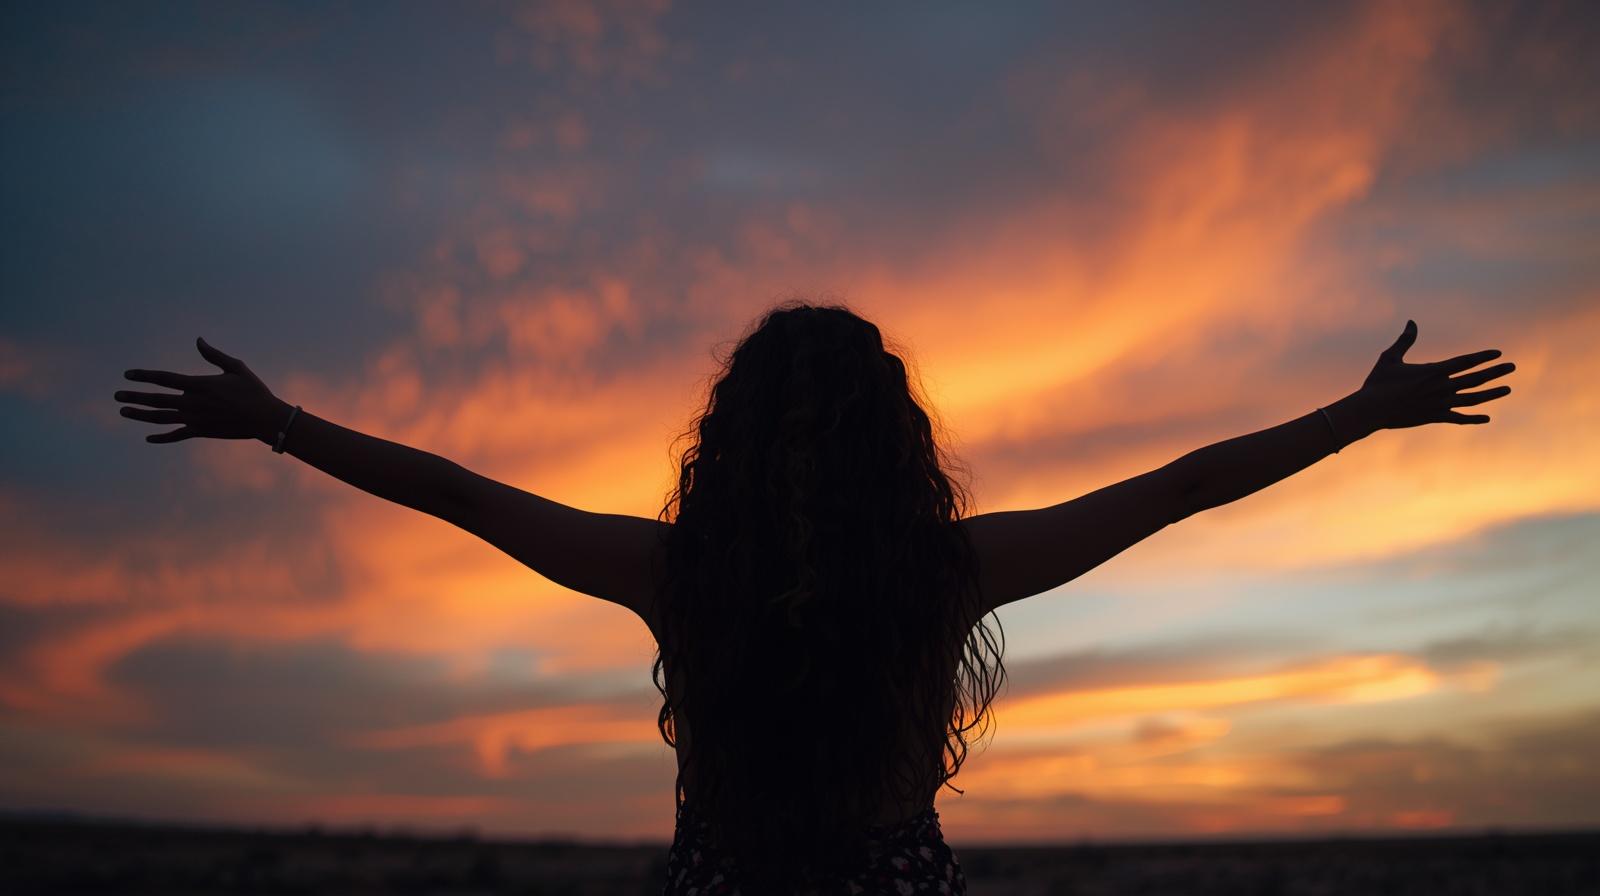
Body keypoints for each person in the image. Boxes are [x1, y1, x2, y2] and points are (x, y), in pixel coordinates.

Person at [115, 302, 1513, 894]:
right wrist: (1355, 415)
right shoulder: (942, 573)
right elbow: (1183, 486)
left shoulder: (681, 573)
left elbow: (463, 493)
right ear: (890, 450)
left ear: (729, 446)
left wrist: (285, 423)